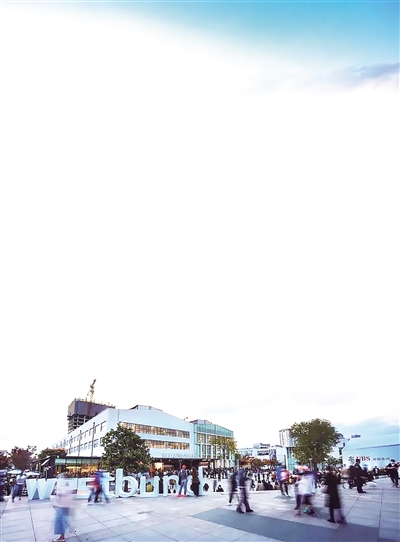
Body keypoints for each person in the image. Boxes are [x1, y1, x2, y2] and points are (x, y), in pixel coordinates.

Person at [53, 474, 74, 542]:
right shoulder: (69, 482)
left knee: (60, 519)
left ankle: (62, 536)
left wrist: (57, 501)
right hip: (66, 503)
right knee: (62, 519)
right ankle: (63, 535)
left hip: (63, 503)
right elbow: (70, 492)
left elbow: (61, 492)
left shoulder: (61, 482)